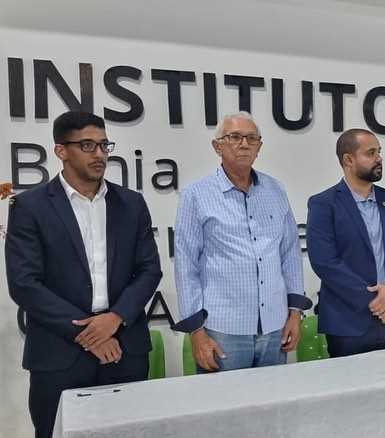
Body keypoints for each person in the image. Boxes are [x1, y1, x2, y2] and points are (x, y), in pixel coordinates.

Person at [5, 110, 162, 438]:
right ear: (61, 150)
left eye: (104, 145)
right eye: (87, 145)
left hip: (124, 350)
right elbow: (24, 283)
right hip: (59, 356)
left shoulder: (131, 204)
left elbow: (149, 268)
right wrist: (89, 334)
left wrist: (115, 318)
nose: (100, 154)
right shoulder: (31, 207)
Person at [174, 111, 310, 373]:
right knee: (223, 410)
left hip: (275, 328)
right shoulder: (196, 195)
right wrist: (196, 333)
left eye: (251, 138)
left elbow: (290, 253)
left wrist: (295, 313)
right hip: (223, 330)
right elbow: (186, 265)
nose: (244, 144)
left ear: (259, 146)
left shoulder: (275, 190)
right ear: (217, 146)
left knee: (274, 408)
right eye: (234, 137)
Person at [306, 129, 385, 357]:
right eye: (371, 153)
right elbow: (325, 262)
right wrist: (377, 301)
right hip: (348, 323)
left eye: (379, 152)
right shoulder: (323, 204)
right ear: (348, 160)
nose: (379, 158)